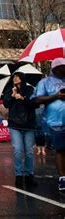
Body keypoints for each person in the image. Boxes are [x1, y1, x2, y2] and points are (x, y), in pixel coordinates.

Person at [33, 57, 65, 191]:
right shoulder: (45, 82)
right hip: (55, 121)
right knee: (61, 149)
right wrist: (56, 96)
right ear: (56, 68)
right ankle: (63, 178)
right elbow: (37, 99)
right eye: (63, 66)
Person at [3, 72, 38, 188]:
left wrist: (23, 98)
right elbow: (6, 104)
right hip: (14, 124)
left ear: (22, 78)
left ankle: (29, 175)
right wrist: (13, 96)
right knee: (17, 150)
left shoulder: (30, 90)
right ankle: (18, 175)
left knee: (29, 151)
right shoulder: (9, 90)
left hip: (29, 124)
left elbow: (35, 104)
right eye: (13, 77)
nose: (15, 78)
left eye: (17, 77)